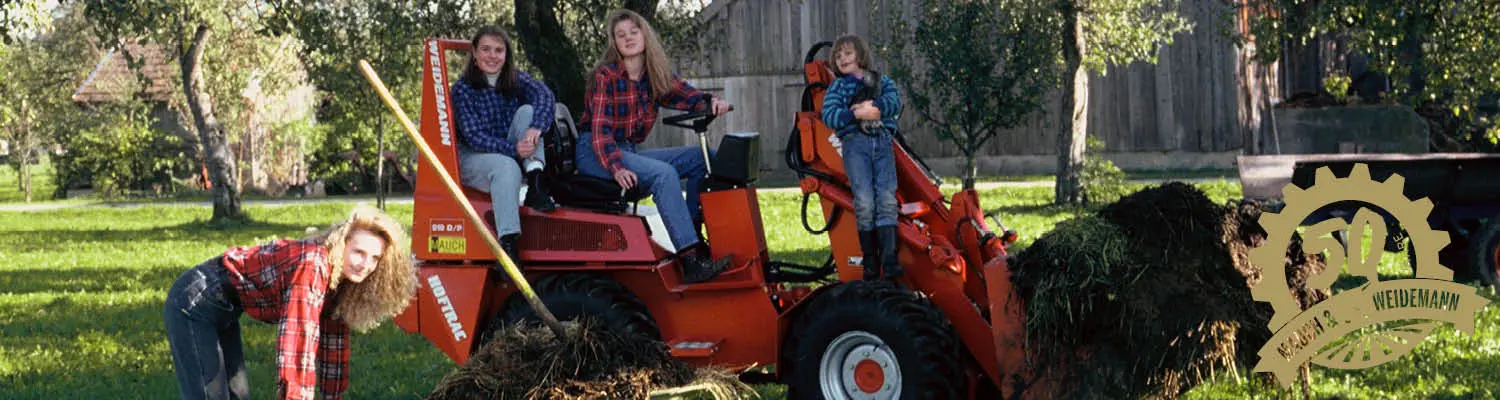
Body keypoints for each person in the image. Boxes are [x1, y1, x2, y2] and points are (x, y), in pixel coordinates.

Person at [163, 206, 417, 400]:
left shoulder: (341, 279)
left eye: (375, 258)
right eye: (359, 252)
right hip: (195, 300)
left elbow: (333, 343)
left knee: (237, 394)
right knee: (211, 395)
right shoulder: (313, 265)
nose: (365, 264)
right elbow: (297, 346)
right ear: (341, 243)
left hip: (226, 307)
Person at [575, 9, 732, 283]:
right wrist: (616, 167)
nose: (628, 38)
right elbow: (600, 132)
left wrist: (711, 103)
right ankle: (690, 260)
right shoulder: (605, 76)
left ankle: (693, 235)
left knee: (701, 157)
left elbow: (687, 96)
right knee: (663, 174)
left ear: (645, 35)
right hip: (596, 152)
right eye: (621, 35)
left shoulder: (654, 75)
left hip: (627, 150)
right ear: (614, 43)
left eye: (634, 32)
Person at [450, 25, 559, 264]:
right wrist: (514, 150)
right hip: (473, 157)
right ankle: (508, 245)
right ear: (475, 55)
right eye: (486, 49)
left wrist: (535, 127)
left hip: (512, 149)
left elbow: (545, 95)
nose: (492, 55)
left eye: (499, 50)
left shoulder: (515, 79)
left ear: (506, 55)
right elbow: (474, 137)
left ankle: (536, 183)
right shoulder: (463, 89)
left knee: (529, 111)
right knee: (506, 166)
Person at [821, 34, 904, 280]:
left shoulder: (880, 81)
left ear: (860, 55)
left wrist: (873, 109)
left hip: (882, 142)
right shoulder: (838, 87)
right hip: (855, 146)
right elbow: (830, 115)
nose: (842, 58)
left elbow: (894, 101)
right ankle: (870, 261)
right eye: (838, 55)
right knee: (865, 201)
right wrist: (855, 115)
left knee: (887, 198)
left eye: (847, 53)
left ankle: (889, 259)